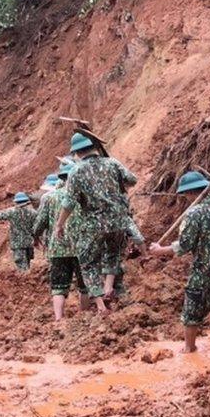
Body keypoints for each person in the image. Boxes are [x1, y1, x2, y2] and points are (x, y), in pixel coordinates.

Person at [148, 171, 210, 353]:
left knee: (191, 313)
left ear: (190, 193)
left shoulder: (194, 214)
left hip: (203, 273)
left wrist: (160, 250)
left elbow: (184, 245)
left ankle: (189, 349)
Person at [55, 132, 137, 313]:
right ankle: (113, 292)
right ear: (94, 147)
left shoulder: (76, 171)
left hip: (94, 225)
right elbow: (132, 180)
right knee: (113, 255)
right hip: (118, 221)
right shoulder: (112, 163)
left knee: (88, 263)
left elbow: (69, 203)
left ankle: (100, 304)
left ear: (76, 153)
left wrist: (60, 224)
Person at [33, 164, 90, 320]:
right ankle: (84, 316)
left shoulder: (49, 197)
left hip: (58, 248)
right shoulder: (84, 195)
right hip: (82, 247)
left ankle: (59, 319)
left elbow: (40, 222)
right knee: (84, 285)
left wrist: (36, 236)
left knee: (58, 286)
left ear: (61, 178)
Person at [0, 192, 37, 272]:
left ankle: (25, 281)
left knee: (22, 267)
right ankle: (28, 278)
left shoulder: (11, 211)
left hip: (17, 244)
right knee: (27, 263)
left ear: (16, 201)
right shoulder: (33, 212)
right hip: (29, 242)